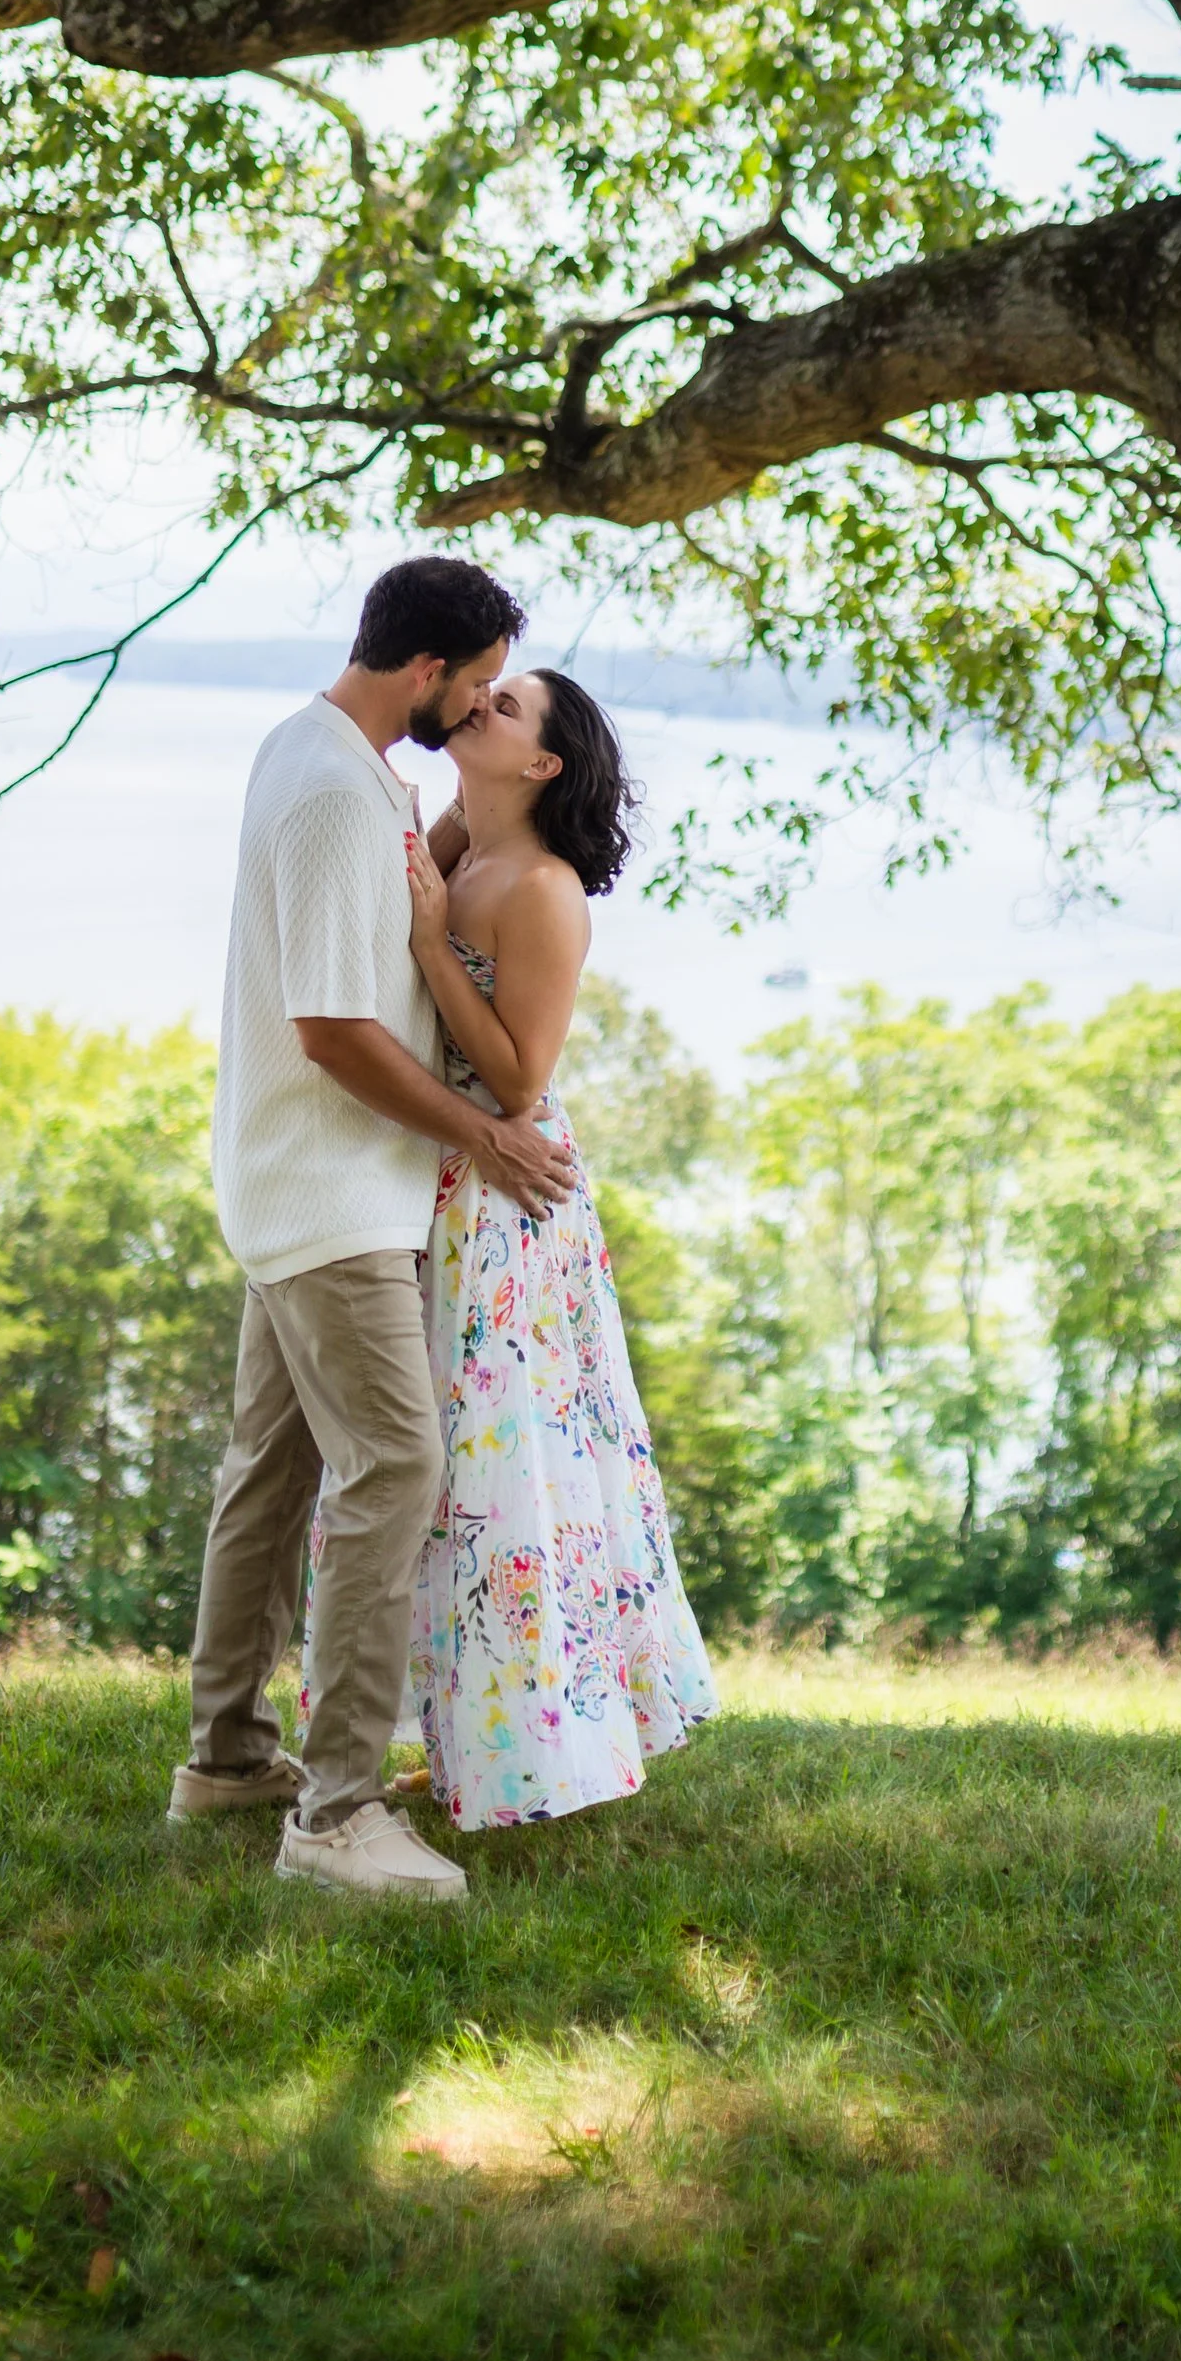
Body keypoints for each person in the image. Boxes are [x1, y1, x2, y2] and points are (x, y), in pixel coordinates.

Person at [169, 553, 571, 1905]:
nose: (475, 703)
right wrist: (484, 1134)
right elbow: (334, 1029)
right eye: (475, 680)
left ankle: (229, 1758)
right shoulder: (342, 794)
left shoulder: (316, 750)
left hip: (289, 1178)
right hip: (335, 1191)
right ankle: (338, 1814)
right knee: (396, 1465)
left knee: (272, 1476)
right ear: (426, 672)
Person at [394, 661, 717, 1827]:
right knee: (431, 1466)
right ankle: (458, 1728)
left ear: (542, 765)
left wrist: (434, 946)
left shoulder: (538, 887)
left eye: (508, 705)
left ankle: (530, 1745)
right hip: (437, 1168)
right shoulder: (457, 840)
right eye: (484, 691)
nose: (480, 704)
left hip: (502, 1191)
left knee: (497, 1468)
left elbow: (522, 1080)